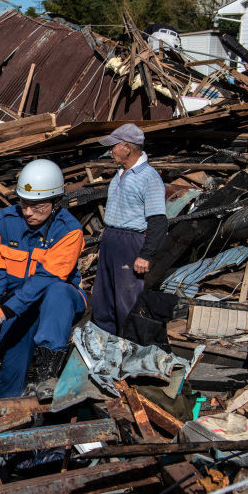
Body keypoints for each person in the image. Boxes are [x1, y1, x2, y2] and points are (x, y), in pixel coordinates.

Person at [0, 159, 87, 399]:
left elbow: (47, 278)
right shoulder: (4, 221)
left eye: (37, 206)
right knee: (11, 371)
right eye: (24, 203)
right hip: (18, 306)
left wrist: (4, 312)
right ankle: (8, 413)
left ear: (56, 202)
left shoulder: (69, 230)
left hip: (57, 304)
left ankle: (47, 372)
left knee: (57, 291)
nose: (28, 212)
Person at [90, 123, 168, 336]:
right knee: (103, 297)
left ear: (127, 148)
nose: (110, 151)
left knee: (127, 300)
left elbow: (158, 221)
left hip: (131, 242)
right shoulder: (121, 173)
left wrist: (146, 254)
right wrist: (105, 242)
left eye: (114, 146)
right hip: (112, 239)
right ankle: (105, 346)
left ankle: (130, 349)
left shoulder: (149, 177)